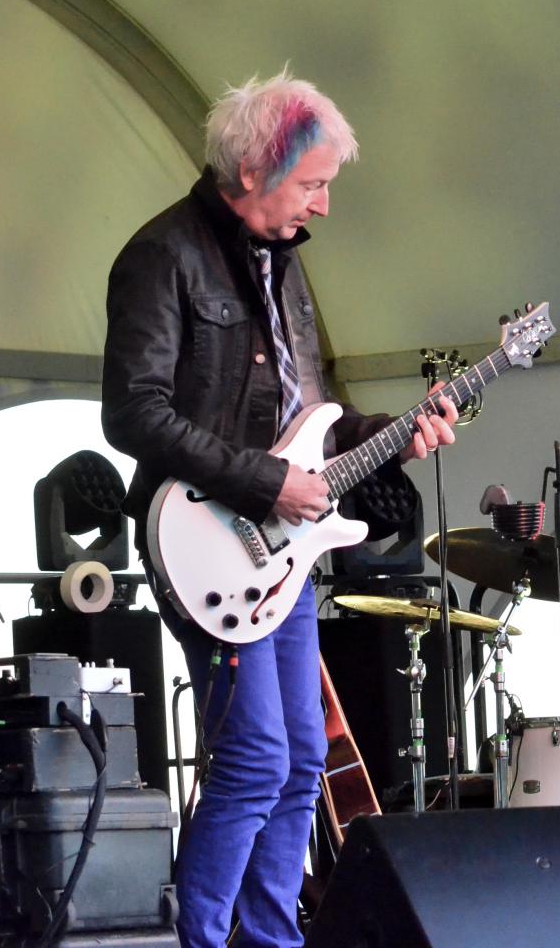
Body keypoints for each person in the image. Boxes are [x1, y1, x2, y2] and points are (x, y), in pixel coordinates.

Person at [101, 70, 458, 948]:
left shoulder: (285, 269)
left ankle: (271, 941)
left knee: (303, 760)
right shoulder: (163, 255)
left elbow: (310, 416)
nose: (324, 207)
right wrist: (265, 483)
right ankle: (202, 940)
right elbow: (133, 412)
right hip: (206, 541)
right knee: (256, 756)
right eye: (313, 184)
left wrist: (388, 434)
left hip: (281, 548)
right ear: (257, 169)